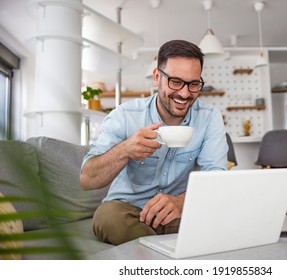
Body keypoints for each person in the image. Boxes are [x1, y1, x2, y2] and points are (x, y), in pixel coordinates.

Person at [80, 39, 228, 245]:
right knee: (108, 217)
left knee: (227, 217)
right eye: (175, 81)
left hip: (179, 212)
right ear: (157, 77)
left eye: (193, 84)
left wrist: (180, 202)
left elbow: (216, 176)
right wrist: (125, 150)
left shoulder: (209, 117)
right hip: (129, 211)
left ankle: (154, 250)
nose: (185, 93)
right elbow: (87, 179)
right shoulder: (124, 115)